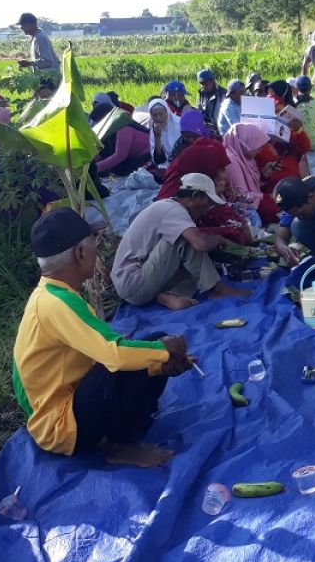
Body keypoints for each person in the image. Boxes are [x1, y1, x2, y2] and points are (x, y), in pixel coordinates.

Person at [13, 207, 195, 466]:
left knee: (150, 344)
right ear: (80, 252)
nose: (96, 249)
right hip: (63, 429)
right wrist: (164, 351)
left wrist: (159, 362)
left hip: (62, 408)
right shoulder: (57, 303)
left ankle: (128, 426)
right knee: (122, 360)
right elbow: (113, 354)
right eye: (93, 241)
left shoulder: (48, 295)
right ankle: (119, 445)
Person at [113, 172, 247, 309]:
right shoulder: (173, 210)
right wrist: (219, 240)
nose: (207, 210)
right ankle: (217, 289)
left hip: (135, 284)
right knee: (186, 240)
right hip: (134, 284)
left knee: (194, 267)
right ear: (196, 197)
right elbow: (200, 244)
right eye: (208, 203)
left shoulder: (168, 206)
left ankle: (168, 296)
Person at [156, 138, 256, 244]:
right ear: (207, 171)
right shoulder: (184, 200)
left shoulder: (188, 180)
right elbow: (243, 232)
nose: (226, 175)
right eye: (221, 169)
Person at [223, 122, 278, 223]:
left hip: (255, 199)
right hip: (243, 206)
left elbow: (254, 186)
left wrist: (264, 175)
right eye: (257, 146)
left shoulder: (247, 158)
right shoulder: (232, 161)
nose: (260, 150)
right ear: (246, 143)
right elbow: (241, 195)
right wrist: (265, 197)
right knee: (276, 207)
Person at [92, 104, 151, 176]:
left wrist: (95, 168)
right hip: (133, 157)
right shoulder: (111, 130)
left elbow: (120, 156)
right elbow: (101, 151)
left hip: (148, 157)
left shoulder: (123, 128)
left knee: (118, 169)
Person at [138, 98, 181, 171]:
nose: (158, 118)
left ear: (167, 112)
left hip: (180, 164)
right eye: (154, 115)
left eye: (161, 114)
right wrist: (157, 137)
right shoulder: (153, 128)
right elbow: (159, 160)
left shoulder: (179, 125)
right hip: (164, 166)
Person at [15, 13, 60, 81]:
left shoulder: (39, 38)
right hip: (48, 78)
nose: (21, 28)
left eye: (23, 25)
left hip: (48, 79)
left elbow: (48, 61)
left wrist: (29, 63)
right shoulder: (38, 36)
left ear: (30, 24)